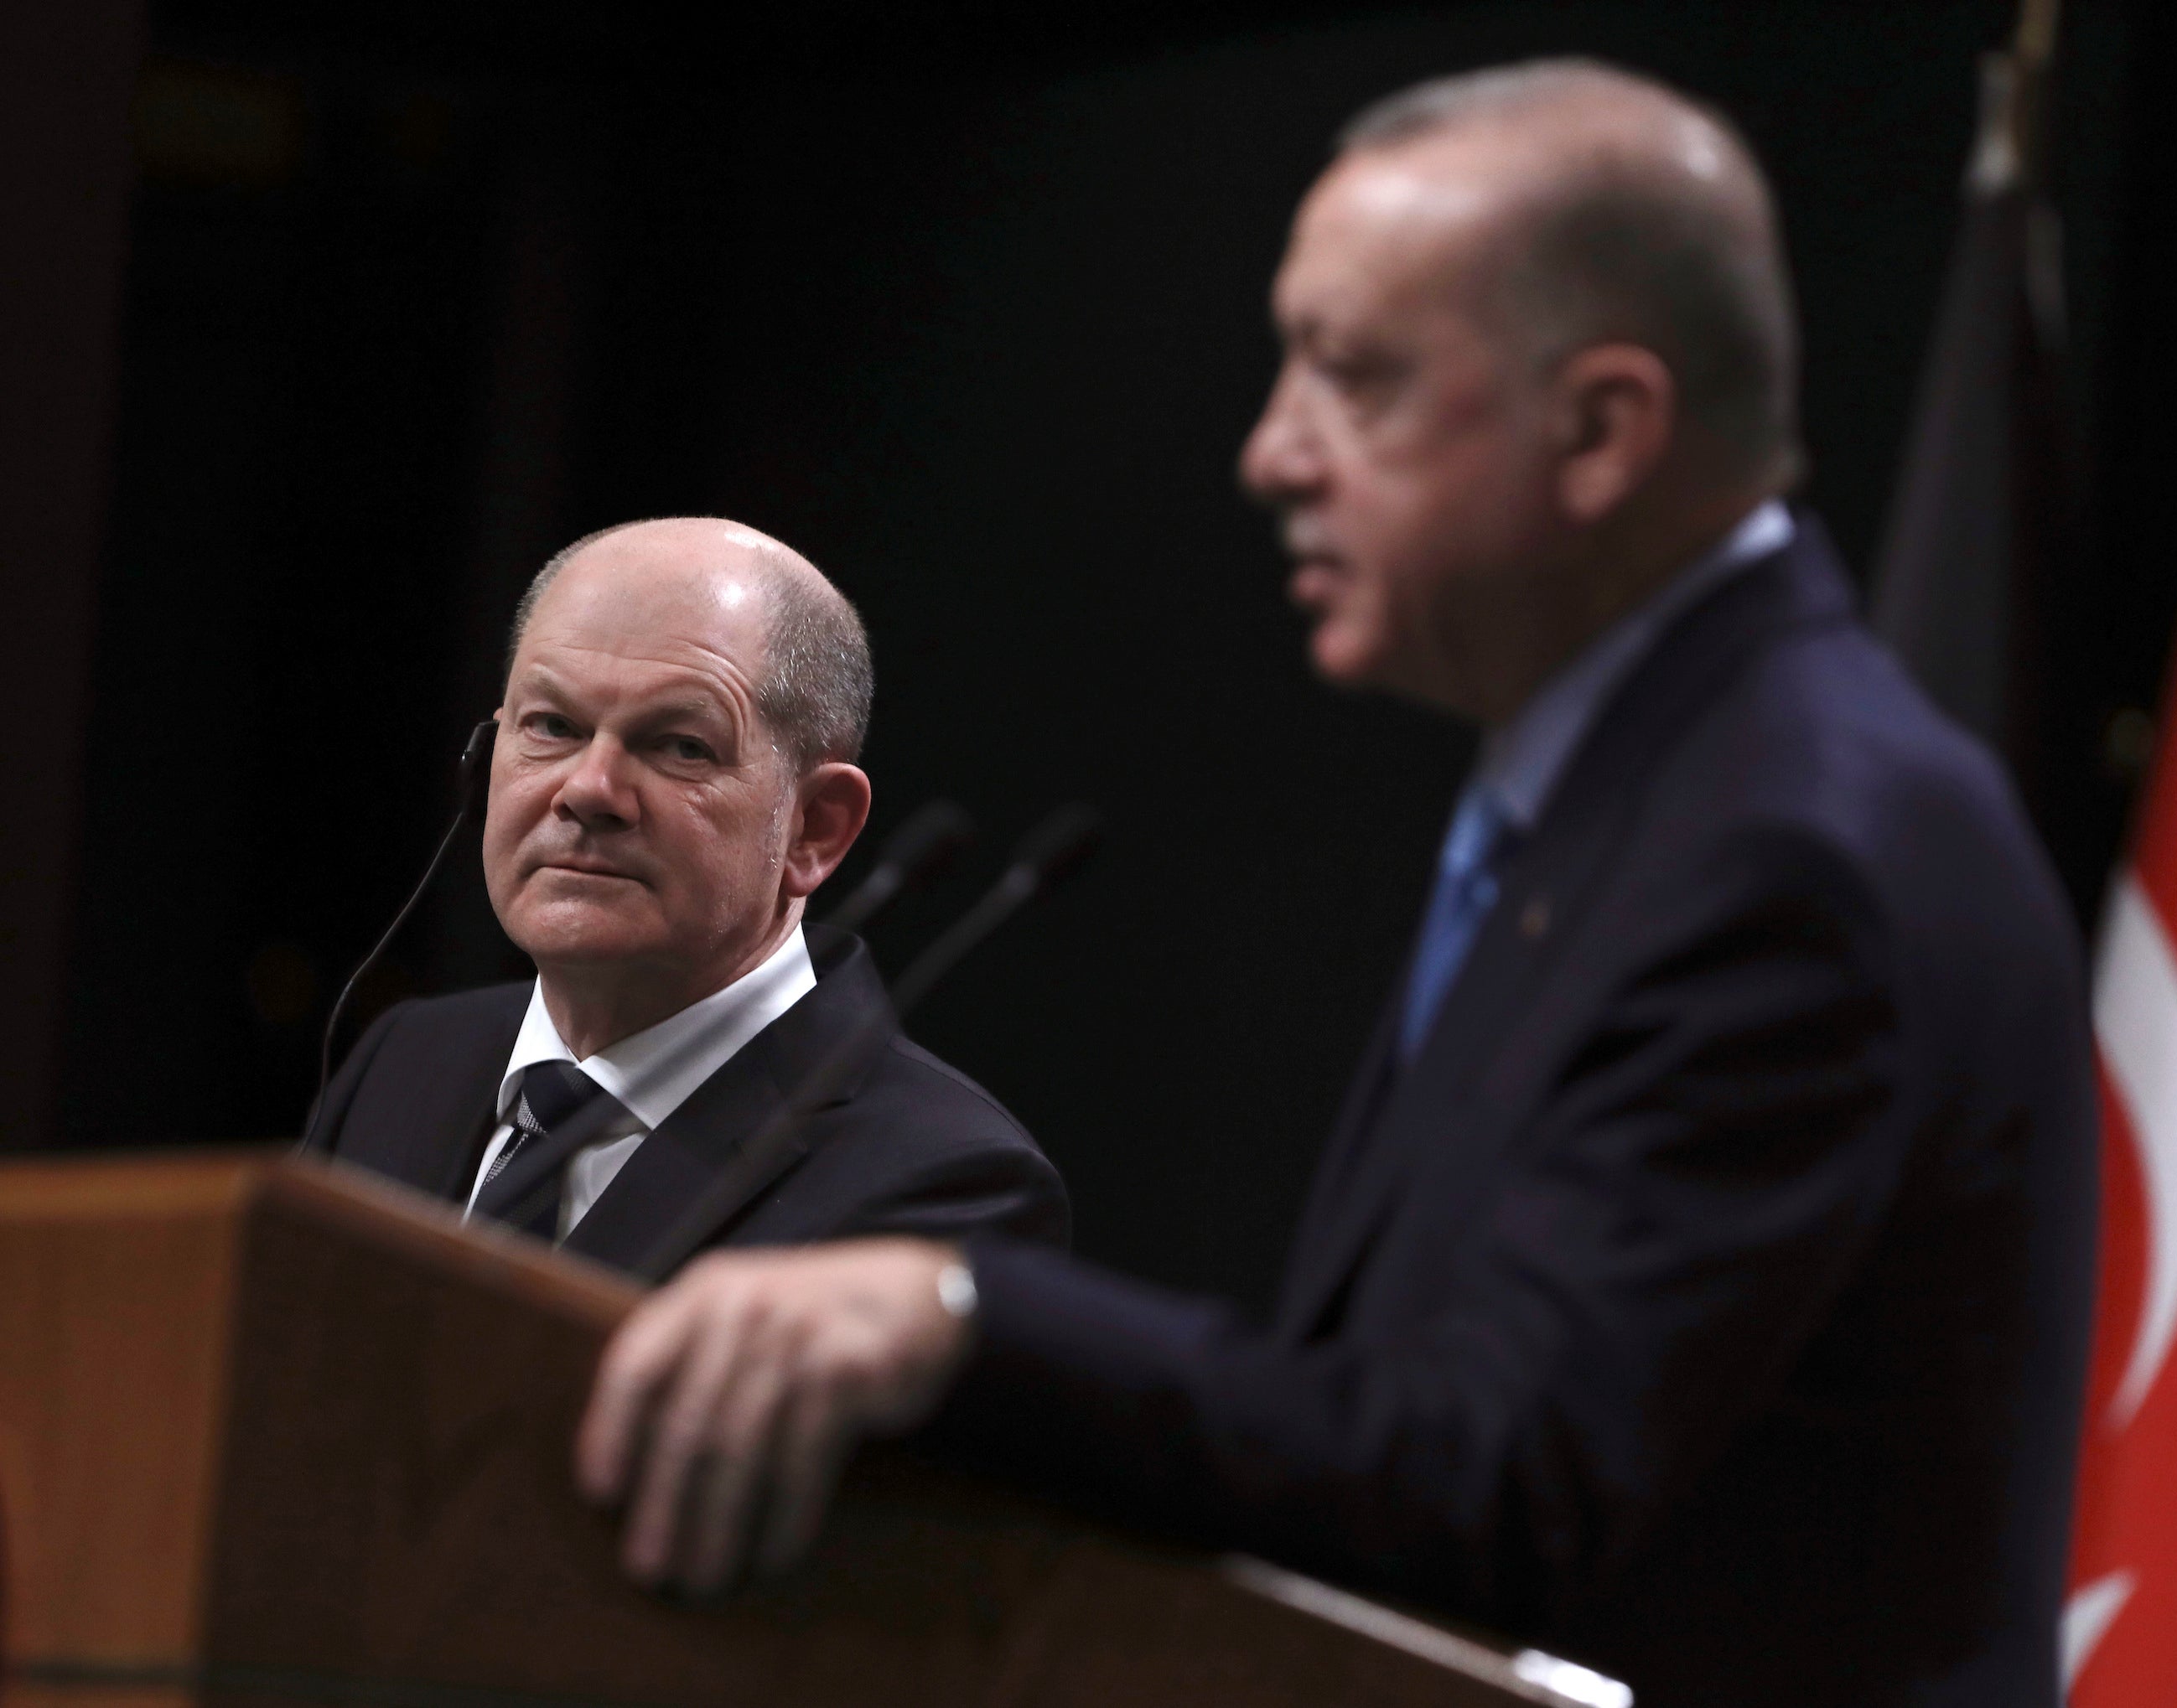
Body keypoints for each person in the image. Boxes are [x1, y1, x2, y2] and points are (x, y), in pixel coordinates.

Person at [570, 63, 2097, 1708]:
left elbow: (1482, 1473)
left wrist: (957, 1312)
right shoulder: (1632, 793)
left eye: (1352, 377)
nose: (1269, 453)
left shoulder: (1788, 839)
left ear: (1599, 431)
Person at [309, 516, 1068, 1270]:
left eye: (681, 746)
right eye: (553, 726)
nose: (589, 790)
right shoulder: (403, 1061)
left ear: (815, 828)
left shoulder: (944, 1182)